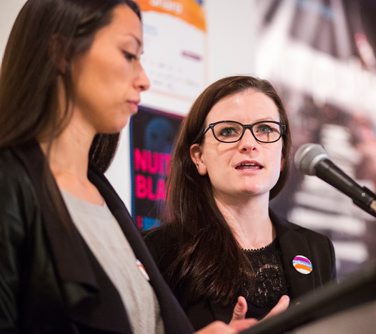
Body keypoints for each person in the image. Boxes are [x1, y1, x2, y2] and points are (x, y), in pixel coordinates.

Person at [0, 1, 254, 333]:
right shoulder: (10, 182)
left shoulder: (104, 195)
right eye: (129, 55)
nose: (144, 80)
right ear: (60, 52)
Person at [144, 75, 337, 331]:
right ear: (198, 157)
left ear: (281, 155)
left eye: (265, 129)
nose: (249, 144)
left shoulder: (317, 249)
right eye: (228, 131)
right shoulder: (159, 251)